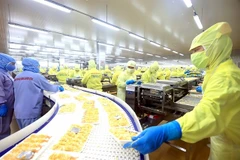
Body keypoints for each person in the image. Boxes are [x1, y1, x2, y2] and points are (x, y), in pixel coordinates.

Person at [124, 22, 240, 160]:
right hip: (223, 135)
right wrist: (203, 89)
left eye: (197, 50)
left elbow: (211, 113)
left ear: (213, 47)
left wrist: (168, 130)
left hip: (231, 145)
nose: (194, 55)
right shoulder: (216, 70)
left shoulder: (226, 75)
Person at [14, 58, 64, 129]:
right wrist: (59, 88)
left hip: (18, 111)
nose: (38, 68)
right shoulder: (36, 76)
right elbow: (50, 88)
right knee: (30, 134)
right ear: (33, 66)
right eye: (37, 66)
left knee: (23, 131)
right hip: (30, 111)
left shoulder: (18, 76)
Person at [0, 53, 16, 140]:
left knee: (6, 125)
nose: (13, 66)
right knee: (1, 127)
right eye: (12, 63)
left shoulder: (5, 72)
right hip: (2, 105)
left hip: (8, 103)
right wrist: (2, 103)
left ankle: (6, 142)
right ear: (2, 62)